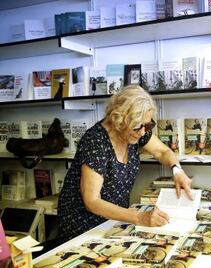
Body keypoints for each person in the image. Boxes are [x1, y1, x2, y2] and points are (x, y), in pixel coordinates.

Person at [58, 85, 193, 242]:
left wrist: (177, 170)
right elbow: (92, 201)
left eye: (148, 125)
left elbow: (163, 152)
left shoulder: (136, 131)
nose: (143, 132)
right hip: (83, 226)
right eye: (138, 127)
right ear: (119, 120)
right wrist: (140, 217)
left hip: (114, 221)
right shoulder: (95, 142)